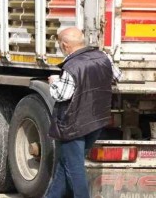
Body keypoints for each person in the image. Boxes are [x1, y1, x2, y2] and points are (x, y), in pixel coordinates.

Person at [44, 27, 122, 198]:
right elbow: (118, 76)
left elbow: (61, 94)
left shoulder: (71, 66)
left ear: (64, 45)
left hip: (74, 125)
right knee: (67, 163)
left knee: (74, 168)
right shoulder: (103, 57)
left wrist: (54, 82)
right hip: (96, 121)